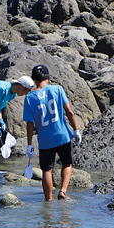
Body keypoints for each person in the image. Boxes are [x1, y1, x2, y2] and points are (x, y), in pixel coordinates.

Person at [23, 64, 82, 201]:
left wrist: (29, 144)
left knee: (47, 171)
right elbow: (70, 112)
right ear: (48, 77)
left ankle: (48, 201)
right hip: (62, 136)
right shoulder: (57, 89)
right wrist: (76, 130)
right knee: (67, 163)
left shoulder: (29, 97)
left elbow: (30, 123)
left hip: (45, 140)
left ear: (33, 80)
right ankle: (63, 190)